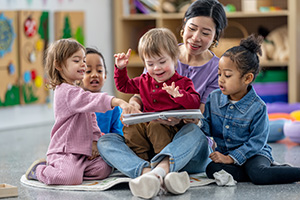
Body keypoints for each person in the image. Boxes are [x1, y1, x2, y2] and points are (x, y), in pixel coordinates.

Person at [98, 0, 227, 198]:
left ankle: (158, 171)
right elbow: (140, 90)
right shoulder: (160, 49)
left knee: (193, 131)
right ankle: (150, 175)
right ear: (183, 26)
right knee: (106, 141)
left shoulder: (217, 69)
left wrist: (185, 119)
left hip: (188, 148)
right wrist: (132, 107)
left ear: (216, 36)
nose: (196, 37)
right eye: (192, 28)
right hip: (149, 139)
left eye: (206, 32)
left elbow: (202, 115)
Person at [25, 39, 137, 185]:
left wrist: (96, 141)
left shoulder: (77, 91)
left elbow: (92, 121)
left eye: (83, 60)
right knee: (70, 178)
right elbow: (92, 99)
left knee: (103, 169)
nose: (83, 64)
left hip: (83, 152)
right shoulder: (64, 92)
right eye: (77, 60)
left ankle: (72, 170)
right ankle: (39, 170)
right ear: (58, 65)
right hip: (65, 152)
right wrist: (118, 101)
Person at [202, 34, 300, 185]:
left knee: (258, 175)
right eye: (219, 73)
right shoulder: (213, 98)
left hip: (254, 154)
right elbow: (208, 129)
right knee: (211, 169)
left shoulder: (258, 107)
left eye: (227, 75)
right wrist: (197, 122)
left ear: (247, 78)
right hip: (228, 156)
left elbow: (257, 142)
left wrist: (231, 159)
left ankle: (284, 172)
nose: (220, 79)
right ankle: (268, 172)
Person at [114, 28, 201, 162]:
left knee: (156, 126)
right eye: (150, 64)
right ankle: (141, 162)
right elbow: (123, 86)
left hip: (170, 129)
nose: (156, 68)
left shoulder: (182, 82)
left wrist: (180, 95)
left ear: (174, 58)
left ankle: (163, 162)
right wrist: (120, 69)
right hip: (147, 125)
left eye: (162, 62)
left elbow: (195, 102)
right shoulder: (144, 80)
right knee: (131, 127)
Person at [82, 47, 123, 135]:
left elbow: (118, 135)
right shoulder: (76, 103)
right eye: (88, 71)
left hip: (105, 145)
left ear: (105, 76)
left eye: (99, 71)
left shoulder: (113, 107)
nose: (95, 75)